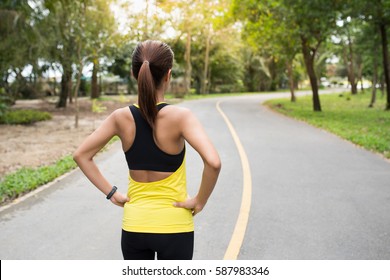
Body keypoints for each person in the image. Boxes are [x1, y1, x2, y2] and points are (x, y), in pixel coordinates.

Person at [73, 40, 221, 260]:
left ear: (135, 75)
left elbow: (81, 155)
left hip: (134, 226)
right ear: (168, 75)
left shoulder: (120, 118)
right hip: (175, 228)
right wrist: (200, 200)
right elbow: (213, 162)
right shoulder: (181, 117)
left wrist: (112, 193)